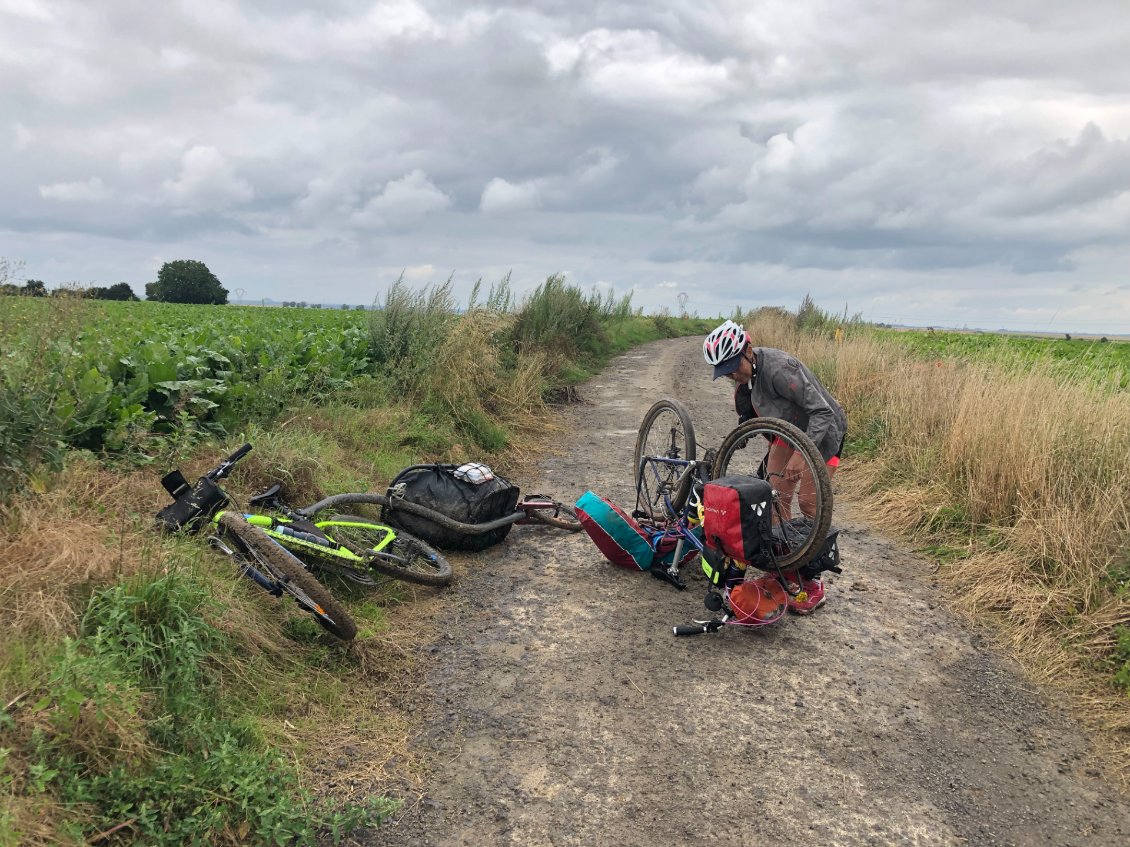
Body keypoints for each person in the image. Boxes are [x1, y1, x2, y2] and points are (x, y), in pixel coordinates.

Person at [702, 319, 847, 614]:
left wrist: (800, 454)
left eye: (733, 366)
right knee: (774, 498)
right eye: (725, 371)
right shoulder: (744, 380)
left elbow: (822, 412)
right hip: (787, 434)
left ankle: (812, 582)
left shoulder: (781, 369)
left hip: (823, 433)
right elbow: (751, 417)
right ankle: (786, 568)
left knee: (810, 506)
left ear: (748, 351)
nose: (731, 374)